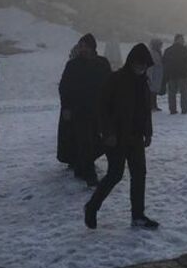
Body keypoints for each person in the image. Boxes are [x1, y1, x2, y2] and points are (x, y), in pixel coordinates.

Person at [84, 44, 159, 230]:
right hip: (116, 137)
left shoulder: (143, 83)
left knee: (139, 174)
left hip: (136, 137)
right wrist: (108, 133)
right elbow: (102, 108)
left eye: (144, 66)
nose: (141, 69)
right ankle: (92, 207)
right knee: (115, 174)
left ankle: (138, 216)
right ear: (131, 62)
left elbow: (145, 111)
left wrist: (148, 132)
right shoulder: (116, 79)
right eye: (139, 65)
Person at [58, 33, 111, 186]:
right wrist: (66, 107)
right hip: (79, 110)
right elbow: (64, 87)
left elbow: (110, 84)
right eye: (80, 47)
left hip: (98, 110)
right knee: (84, 141)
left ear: (92, 47)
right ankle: (89, 175)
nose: (82, 49)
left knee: (100, 141)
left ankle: (82, 164)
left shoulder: (102, 63)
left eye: (85, 46)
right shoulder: (73, 65)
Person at [162, 34, 187, 115]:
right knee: (184, 93)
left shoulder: (168, 50)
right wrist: (186, 68)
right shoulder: (184, 49)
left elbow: (164, 62)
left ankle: (172, 109)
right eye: (182, 39)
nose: (183, 41)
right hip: (182, 74)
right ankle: (184, 109)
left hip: (171, 74)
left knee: (171, 93)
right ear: (178, 39)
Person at [147, 39, 164, 112]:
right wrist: (149, 76)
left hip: (157, 73)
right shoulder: (152, 53)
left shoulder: (158, 52)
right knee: (152, 91)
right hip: (153, 73)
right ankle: (152, 106)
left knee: (154, 91)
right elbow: (150, 66)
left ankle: (154, 105)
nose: (161, 47)